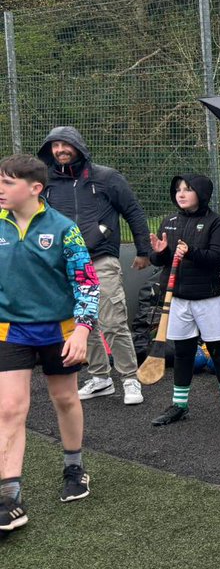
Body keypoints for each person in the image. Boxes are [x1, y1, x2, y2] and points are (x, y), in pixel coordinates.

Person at [0, 154, 99, 532]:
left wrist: (83, 331)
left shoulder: (64, 229)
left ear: (35, 188)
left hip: (61, 331)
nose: (1, 189)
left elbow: (87, 283)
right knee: (10, 408)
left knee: (64, 398)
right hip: (10, 331)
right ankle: (9, 497)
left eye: (8, 182)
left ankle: (74, 467)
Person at [38, 127, 151, 406]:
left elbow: (133, 211)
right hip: (64, 265)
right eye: (54, 145)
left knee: (113, 321)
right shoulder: (45, 183)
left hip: (101, 258)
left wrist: (143, 250)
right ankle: (100, 378)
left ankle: (130, 379)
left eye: (65, 144)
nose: (60, 150)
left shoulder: (106, 177)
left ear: (78, 146)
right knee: (82, 323)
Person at [148, 174, 220, 427]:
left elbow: (218, 257)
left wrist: (191, 252)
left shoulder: (216, 222)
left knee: (219, 351)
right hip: (178, 298)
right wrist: (159, 253)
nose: (180, 193)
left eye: (187, 189)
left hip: (209, 297)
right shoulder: (169, 221)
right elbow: (161, 260)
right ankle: (179, 406)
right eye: (178, 189)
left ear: (201, 193)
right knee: (183, 352)